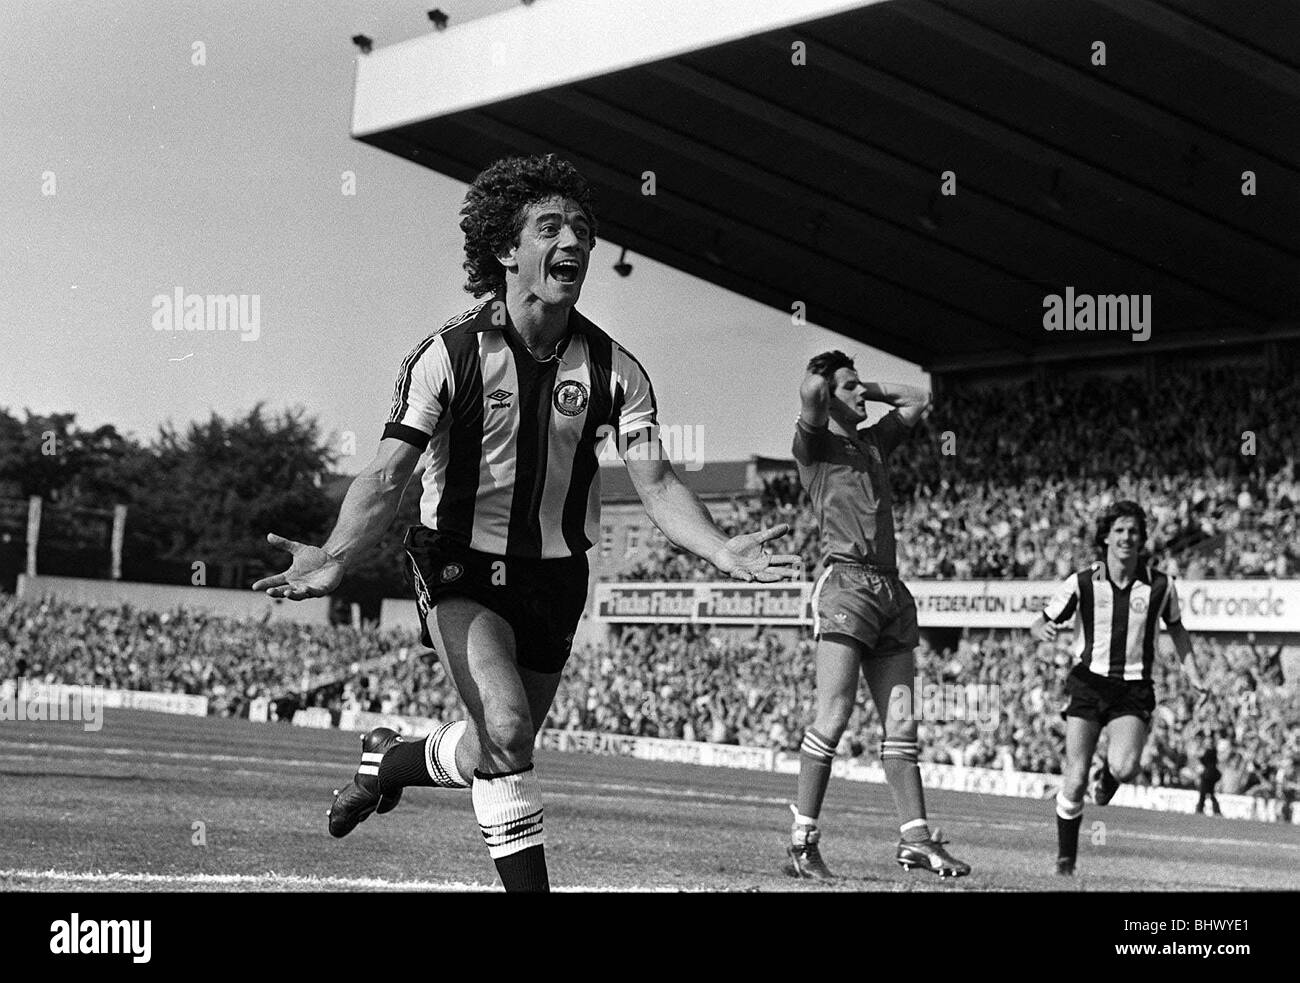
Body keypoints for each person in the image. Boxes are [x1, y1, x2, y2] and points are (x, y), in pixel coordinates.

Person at [251, 154, 800, 892]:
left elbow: (658, 482)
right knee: (508, 732)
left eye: (580, 227)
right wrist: (339, 553)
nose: (571, 238)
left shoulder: (616, 369)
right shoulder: (447, 356)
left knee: (492, 744)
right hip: (457, 562)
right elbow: (389, 473)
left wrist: (720, 548)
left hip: (554, 575)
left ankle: (389, 758)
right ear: (507, 251)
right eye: (550, 226)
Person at [785, 350, 970, 880]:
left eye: (861, 387)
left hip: (890, 588)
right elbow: (810, 395)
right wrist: (830, 382)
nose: (861, 395)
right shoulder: (816, 444)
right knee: (835, 714)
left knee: (904, 721)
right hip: (846, 584)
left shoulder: (872, 443)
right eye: (851, 389)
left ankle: (915, 840)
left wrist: (862, 387)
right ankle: (803, 839)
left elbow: (920, 397)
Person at [1030, 500, 1206, 875]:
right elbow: (1040, 620)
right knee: (1074, 779)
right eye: (1121, 530)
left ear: (1142, 539)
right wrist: (1040, 629)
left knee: (1126, 768)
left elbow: (1176, 629)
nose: (1127, 537)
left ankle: (1108, 778)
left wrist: (1193, 673)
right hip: (1090, 683)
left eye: (1134, 531)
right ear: (1106, 537)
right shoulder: (1081, 582)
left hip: (1133, 688)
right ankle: (1065, 863)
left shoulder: (1161, 586)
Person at [1195, 733, 1222, 816]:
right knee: (1210, 793)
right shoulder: (1213, 751)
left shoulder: (1209, 751)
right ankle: (1216, 810)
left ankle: (1200, 809)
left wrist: (1199, 756)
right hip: (1212, 775)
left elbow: (1204, 761)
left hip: (1208, 775)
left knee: (1203, 793)